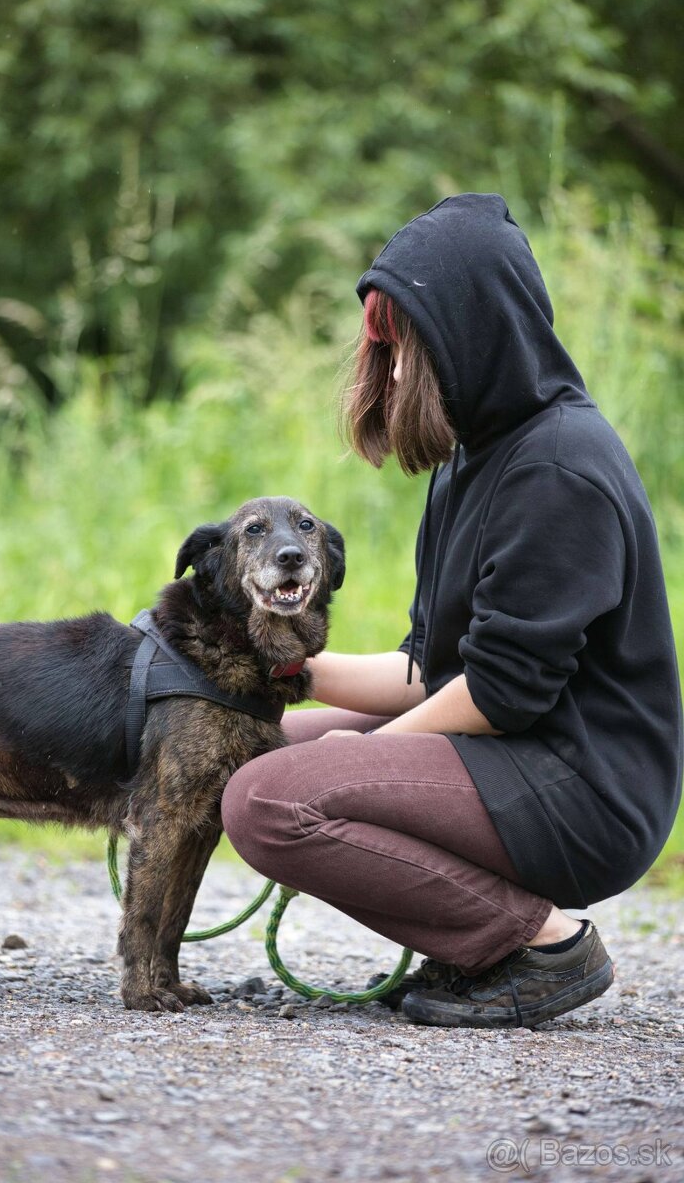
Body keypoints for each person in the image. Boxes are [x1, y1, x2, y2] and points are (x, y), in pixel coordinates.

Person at [220, 192, 683, 1029]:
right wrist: (282, 669)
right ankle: (486, 941)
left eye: (400, 349)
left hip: (586, 789)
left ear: (466, 335)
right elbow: (430, 669)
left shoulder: (559, 468)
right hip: (515, 755)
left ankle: (544, 945)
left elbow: (501, 696)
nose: (387, 373)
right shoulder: (474, 458)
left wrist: (352, 773)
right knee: (246, 750)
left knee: (269, 800)